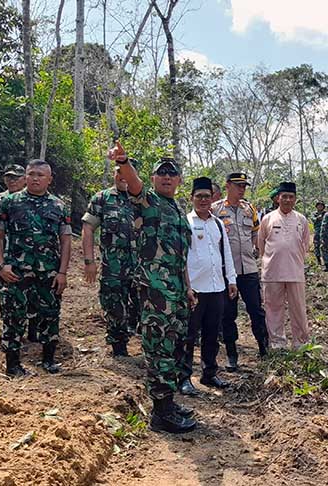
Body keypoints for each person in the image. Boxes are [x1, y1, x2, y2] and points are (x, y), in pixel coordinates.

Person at [109, 142, 197, 434]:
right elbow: (133, 183)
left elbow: (181, 255)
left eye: (172, 175)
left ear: (179, 180)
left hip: (176, 293)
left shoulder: (177, 209)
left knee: (172, 347)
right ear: (154, 178)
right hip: (155, 293)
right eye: (161, 174)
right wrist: (123, 160)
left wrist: (187, 287)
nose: (167, 178)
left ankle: (168, 403)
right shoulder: (147, 201)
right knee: (158, 348)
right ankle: (160, 414)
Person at [0, 159, 72, 377]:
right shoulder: (9, 202)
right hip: (16, 272)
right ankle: (13, 365)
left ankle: (48, 360)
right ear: (25, 176)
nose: (35, 178)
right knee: (13, 318)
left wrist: (62, 272)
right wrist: (0, 266)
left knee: (50, 315)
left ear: (49, 179)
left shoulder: (58, 206)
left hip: (48, 273)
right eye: (32, 174)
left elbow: (65, 240)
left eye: (40, 175)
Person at [181, 177, 238, 391]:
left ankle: (209, 373)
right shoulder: (186, 222)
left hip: (217, 288)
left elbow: (226, 254)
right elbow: (182, 257)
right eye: (199, 196)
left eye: (207, 196)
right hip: (195, 289)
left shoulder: (217, 224)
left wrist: (231, 280)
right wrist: (186, 286)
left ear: (212, 198)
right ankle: (184, 377)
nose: (203, 200)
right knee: (189, 334)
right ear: (192, 198)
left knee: (212, 334)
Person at [212, 173, 270, 366]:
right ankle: (231, 354)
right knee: (228, 313)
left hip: (249, 269)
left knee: (256, 309)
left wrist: (255, 248)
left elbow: (255, 232)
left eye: (244, 186)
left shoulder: (249, 209)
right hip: (227, 272)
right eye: (238, 186)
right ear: (227, 185)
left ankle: (264, 347)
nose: (242, 189)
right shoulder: (216, 209)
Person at [81, 166, 139, 357]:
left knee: (142, 306)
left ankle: (144, 343)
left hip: (142, 267)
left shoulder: (143, 200)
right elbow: (88, 228)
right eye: (118, 173)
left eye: (126, 173)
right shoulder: (102, 199)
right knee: (114, 306)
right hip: (114, 267)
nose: (122, 177)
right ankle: (119, 348)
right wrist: (89, 261)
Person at [0, 165, 32, 335]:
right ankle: (10, 330)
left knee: (30, 291)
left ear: (24, 179)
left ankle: (31, 328)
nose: (12, 181)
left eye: (16, 177)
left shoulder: (32, 198)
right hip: (1, 253)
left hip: (25, 255)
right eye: (9, 177)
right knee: (3, 292)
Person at [258, 182, 310, 349]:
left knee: (299, 310)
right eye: (284, 196)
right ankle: (277, 343)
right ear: (278, 198)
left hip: (295, 272)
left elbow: (305, 245)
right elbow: (261, 245)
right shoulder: (268, 219)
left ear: (295, 199)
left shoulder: (301, 219)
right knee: (273, 309)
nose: (287, 200)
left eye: (291, 197)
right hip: (272, 272)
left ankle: (300, 344)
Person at [312, 201, 326, 266]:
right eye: (318, 205)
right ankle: (318, 260)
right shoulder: (314, 213)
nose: (320, 207)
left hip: (325, 232)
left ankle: (326, 261)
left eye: (321, 205)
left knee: (324, 246)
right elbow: (313, 219)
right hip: (317, 232)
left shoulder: (326, 214)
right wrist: (318, 218)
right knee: (316, 246)